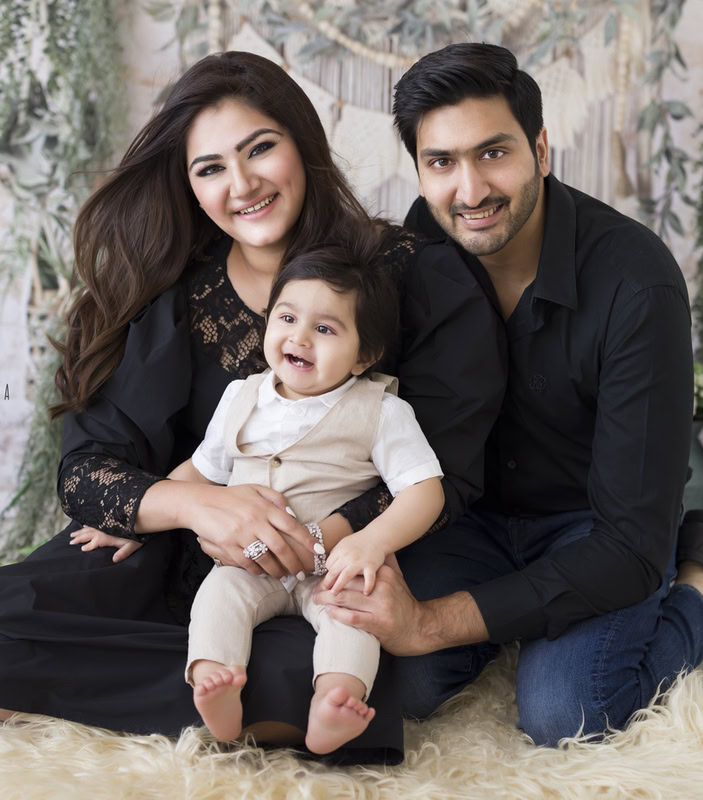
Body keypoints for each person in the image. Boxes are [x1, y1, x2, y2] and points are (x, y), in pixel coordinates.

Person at [0, 52, 503, 765]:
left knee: (338, 680)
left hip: (347, 566)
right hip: (183, 557)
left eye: (259, 149)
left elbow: (449, 468)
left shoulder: (411, 272)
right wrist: (192, 506)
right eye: (211, 168)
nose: (241, 183)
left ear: (302, 146)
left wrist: (308, 536)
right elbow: (87, 470)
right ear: (190, 186)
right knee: (54, 585)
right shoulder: (180, 296)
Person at [314, 43, 703, 747]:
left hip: (594, 524)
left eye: (493, 153)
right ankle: (514, 623)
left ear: (541, 150)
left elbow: (625, 544)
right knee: (392, 682)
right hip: (466, 519)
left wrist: (434, 623)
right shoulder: (420, 247)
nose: (468, 190)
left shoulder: (635, 282)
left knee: (569, 710)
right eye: (441, 163)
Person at [77, 244, 445, 754]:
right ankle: (217, 683)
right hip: (249, 563)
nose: (299, 337)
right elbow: (199, 474)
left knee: (354, 616)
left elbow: (425, 490)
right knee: (217, 599)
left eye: (325, 328)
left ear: (365, 355)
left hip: (333, 565)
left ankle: (335, 700)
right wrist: (137, 516)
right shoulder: (241, 396)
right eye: (287, 317)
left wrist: (371, 544)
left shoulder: (381, 411)